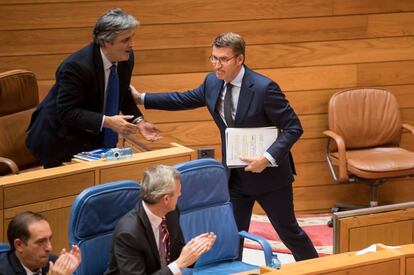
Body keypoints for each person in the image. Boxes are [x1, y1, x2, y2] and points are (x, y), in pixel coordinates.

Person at [131, 32, 318, 261]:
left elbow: (293, 127)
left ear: (239, 59)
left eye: (223, 59)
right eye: (213, 58)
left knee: (289, 232)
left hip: (270, 178)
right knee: (231, 236)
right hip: (234, 178)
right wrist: (143, 98)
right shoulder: (212, 82)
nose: (216, 65)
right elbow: (183, 99)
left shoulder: (263, 88)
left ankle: (318, 268)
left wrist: (267, 158)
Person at [25, 8, 160, 168]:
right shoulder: (76, 67)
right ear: (106, 42)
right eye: (125, 40)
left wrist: (139, 122)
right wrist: (108, 122)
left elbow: (121, 94)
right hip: (59, 138)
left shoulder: (125, 58)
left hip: (93, 135)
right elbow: (66, 112)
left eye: (132, 38)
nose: (132, 44)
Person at [105, 165, 216, 274]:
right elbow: (178, 263)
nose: (180, 194)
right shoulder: (128, 234)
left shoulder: (171, 212)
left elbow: (178, 253)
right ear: (166, 199)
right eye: (178, 192)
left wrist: (195, 249)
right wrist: (178, 264)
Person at [0, 211, 81, 275]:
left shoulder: (53, 263)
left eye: (49, 239)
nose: (49, 248)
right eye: (40, 242)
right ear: (19, 245)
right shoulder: (3, 271)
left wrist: (71, 271)